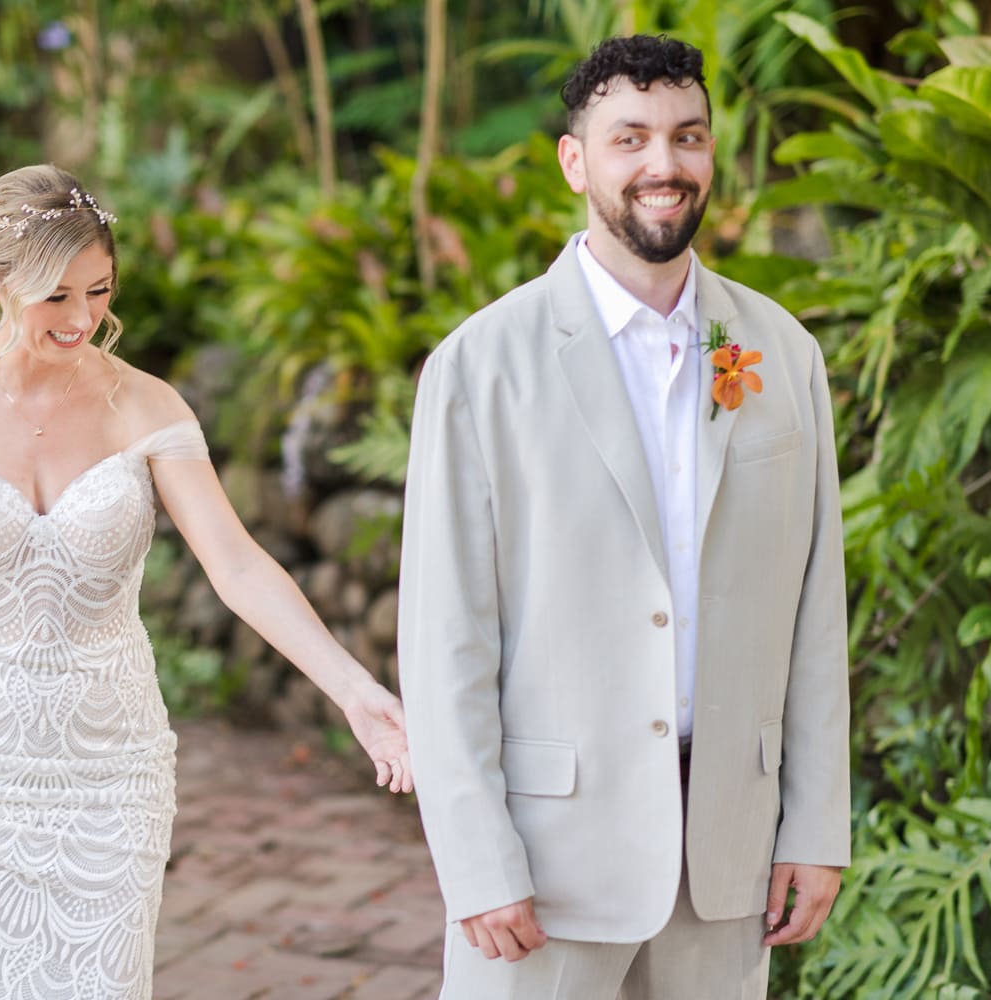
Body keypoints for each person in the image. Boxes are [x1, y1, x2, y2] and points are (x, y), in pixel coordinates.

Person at [0, 164, 413, 1000]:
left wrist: (354, 689)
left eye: (97, 291)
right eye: (53, 297)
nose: (81, 320)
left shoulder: (147, 408)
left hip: (112, 774)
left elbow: (237, 563)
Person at [398, 35, 850, 999]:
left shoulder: (782, 352)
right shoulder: (481, 367)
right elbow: (446, 640)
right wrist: (477, 860)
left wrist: (814, 827)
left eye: (687, 138)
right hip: (549, 863)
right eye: (630, 138)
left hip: (728, 849)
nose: (663, 165)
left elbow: (816, 614)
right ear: (576, 161)